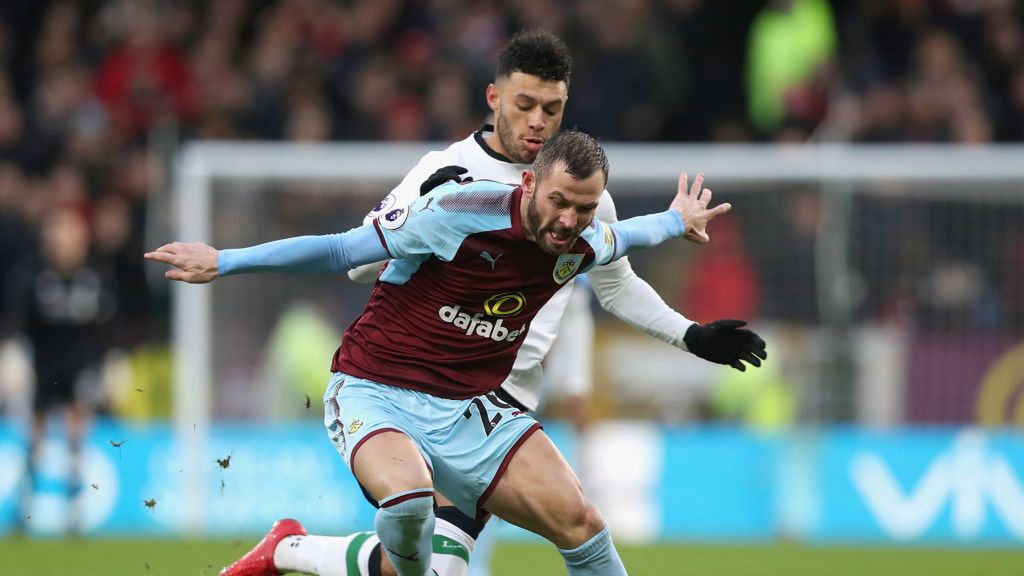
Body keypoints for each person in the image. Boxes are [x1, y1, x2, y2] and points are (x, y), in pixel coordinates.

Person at [146, 129, 766, 576]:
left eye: (583, 208)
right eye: (559, 202)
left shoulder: (583, 240)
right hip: (375, 387)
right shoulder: (455, 211)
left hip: (472, 409)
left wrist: (679, 230)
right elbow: (340, 251)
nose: (568, 221)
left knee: (583, 525)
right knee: (410, 502)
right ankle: (291, 551)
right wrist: (225, 261)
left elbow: (636, 234)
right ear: (530, 184)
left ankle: (287, 550)